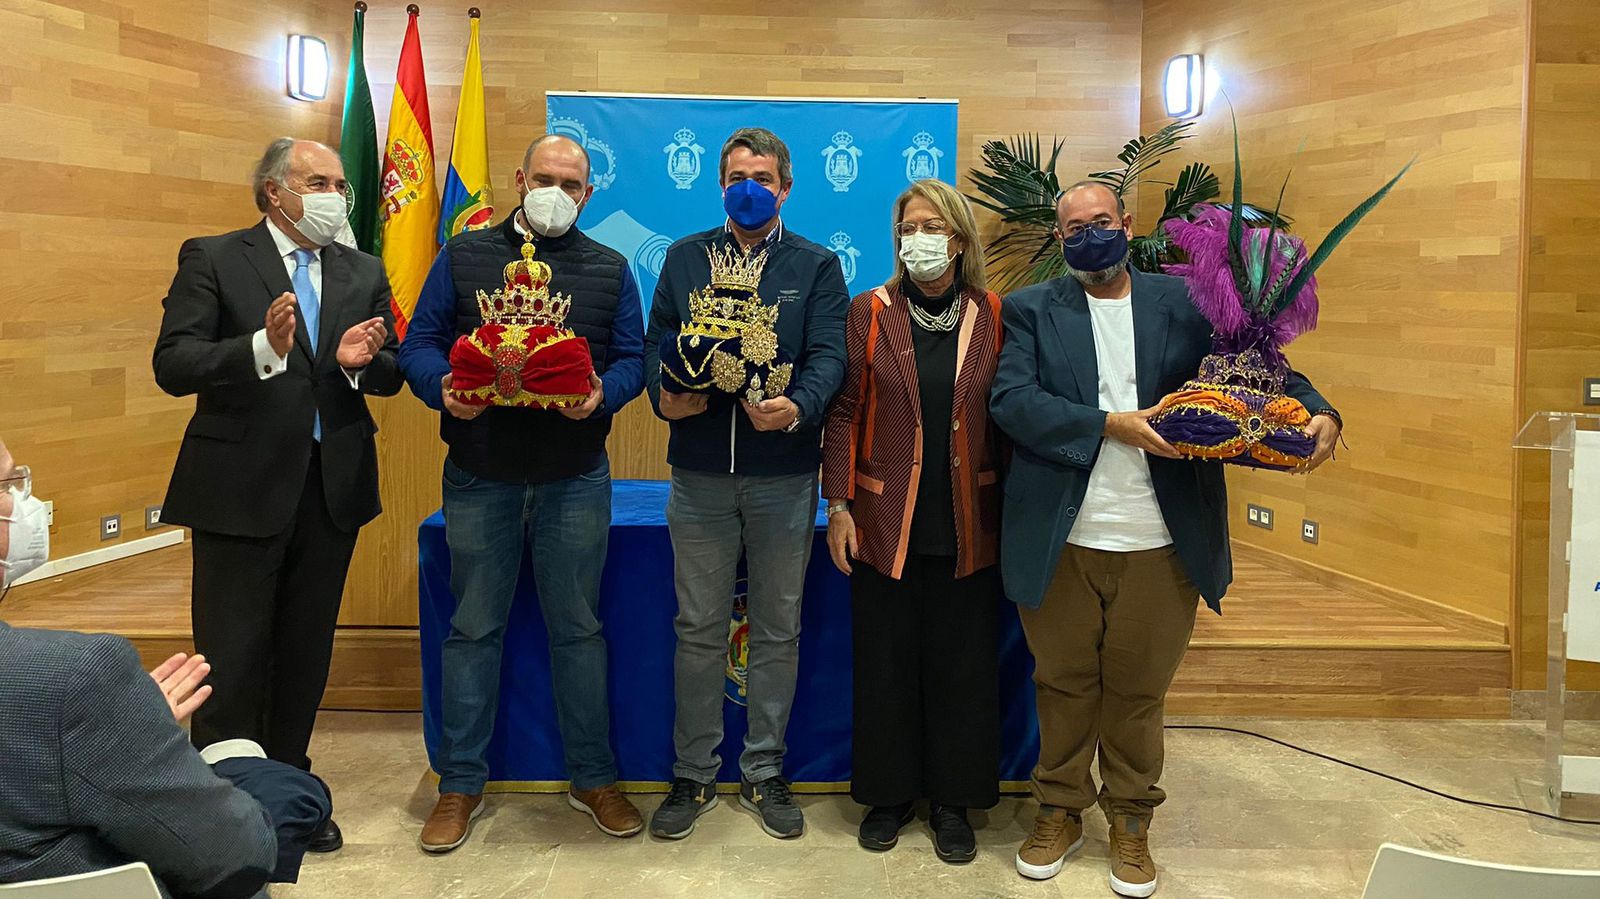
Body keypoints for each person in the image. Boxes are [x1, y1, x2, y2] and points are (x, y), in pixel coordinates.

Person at [990, 181, 1342, 897]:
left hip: (1161, 538)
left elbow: (1262, 366)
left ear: (1126, 224)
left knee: (1138, 691)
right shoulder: (1029, 310)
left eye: (1100, 222)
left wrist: (1320, 410)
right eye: (1074, 228)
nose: (1089, 235)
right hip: (1062, 535)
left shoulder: (1184, 304)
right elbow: (1012, 402)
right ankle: (1058, 808)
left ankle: (1130, 817)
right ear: (1060, 240)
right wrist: (1107, 424)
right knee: (1061, 685)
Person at [151, 137, 402, 853]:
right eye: (318, 182)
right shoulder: (216, 256)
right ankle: (222, 809)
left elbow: (386, 373)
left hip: (333, 493)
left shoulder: (363, 269)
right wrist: (263, 348)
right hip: (238, 491)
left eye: (340, 185)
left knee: (303, 653)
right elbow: (174, 363)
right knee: (232, 657)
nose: (334, 196)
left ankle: (289, 791)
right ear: (274, 192)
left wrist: (358, 364)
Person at [397, 134, 646, 851]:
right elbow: (419, 344)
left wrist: (603, 396)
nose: (557, 193)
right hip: (481, 474)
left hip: (574, 476)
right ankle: (459, 783)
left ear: (588, 194)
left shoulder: (609, 267)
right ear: (519, 179)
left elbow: (632, 358)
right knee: (474, 629)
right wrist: (442, 390)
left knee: (579, 630)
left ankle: (593, 776)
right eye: (545, 178)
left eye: (572, 184)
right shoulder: (465, 254)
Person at [0, 437, 332, 898]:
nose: (23, 501)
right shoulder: (76, 677)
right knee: (283, 793)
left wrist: (121, 725)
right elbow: (235, 853)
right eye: (7, 485)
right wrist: (118, 724)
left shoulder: (71, 686)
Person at [643, 127, 849, 841]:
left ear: (786, 187)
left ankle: (764, 769)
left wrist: (801, 405)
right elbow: (655, 343)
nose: (749, 186)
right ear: (720, 184)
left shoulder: (816, 265)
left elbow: (830, 356)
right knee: (697, 626)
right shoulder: (683, 257)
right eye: (736, 174)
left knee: (777, 627)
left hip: (783, 476)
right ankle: (693, 770)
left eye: (762, 175)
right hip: (698, 472)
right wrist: (662, 395)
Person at [820, 179, 1006, 864]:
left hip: (967, 519)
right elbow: (841, 411)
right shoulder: (870, 309)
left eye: (931, 226)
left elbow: (1005, 415)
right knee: (887, 662)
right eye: (908, 226)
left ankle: (953, 801)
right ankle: (889, 795)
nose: (918, 238)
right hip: (881, 518)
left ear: (958, 237)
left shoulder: (992, 313)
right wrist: (836, 504)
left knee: (961, 664)